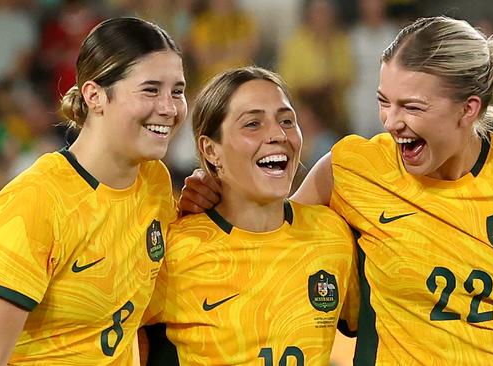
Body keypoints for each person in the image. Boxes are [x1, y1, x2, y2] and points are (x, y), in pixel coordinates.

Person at [179, 16, 493, 365]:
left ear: (469, 110)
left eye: (412, 107)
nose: (391, 122)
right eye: (384, 101)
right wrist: (217, 189)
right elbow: (273, 240)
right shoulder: (353, 167)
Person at [0, 17, 187, 365]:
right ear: (94, 95)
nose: (170, 107)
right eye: (150, 89)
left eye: (177, 91)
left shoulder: (155, 181)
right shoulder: (35, 202)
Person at [143, 66, 358, 365]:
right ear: (211, 150)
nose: (277, 134)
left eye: (286, 120)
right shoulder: (174, 249)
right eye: (253, 124)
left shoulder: (333, 235)